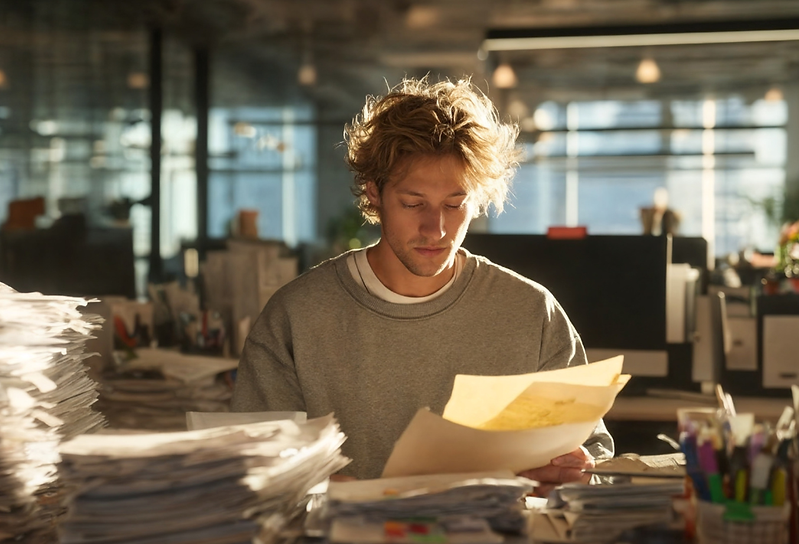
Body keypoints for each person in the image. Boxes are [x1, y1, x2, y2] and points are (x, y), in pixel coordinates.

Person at [230, 76, 613, 491]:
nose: (436, 229)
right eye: (413, 204)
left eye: (455, 204)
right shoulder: (297, 317)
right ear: (374, 193)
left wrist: (572, 475)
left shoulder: (530, 312)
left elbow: (591, 458)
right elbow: (250, 470)